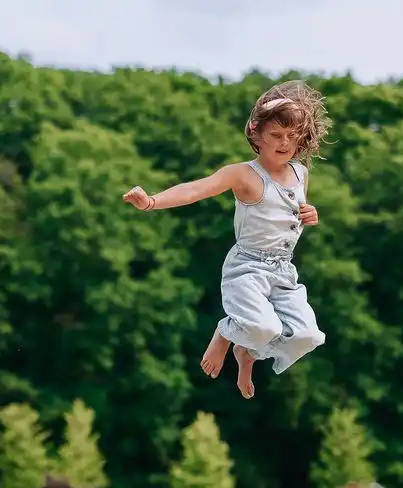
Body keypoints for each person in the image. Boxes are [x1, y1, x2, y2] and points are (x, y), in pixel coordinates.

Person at [123, 80, 331, 399]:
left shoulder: (301, 174)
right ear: (255, 133)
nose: (284, 143)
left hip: (283, 273)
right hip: (247, 269)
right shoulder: (243, 175)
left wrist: (310, 213)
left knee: (308, 336)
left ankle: (246, 354)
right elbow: (195, 189)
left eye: (292, 136)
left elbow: (293, 212)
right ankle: (225, 331)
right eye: (276, 135)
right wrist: (152, 201)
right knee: (264, 328)